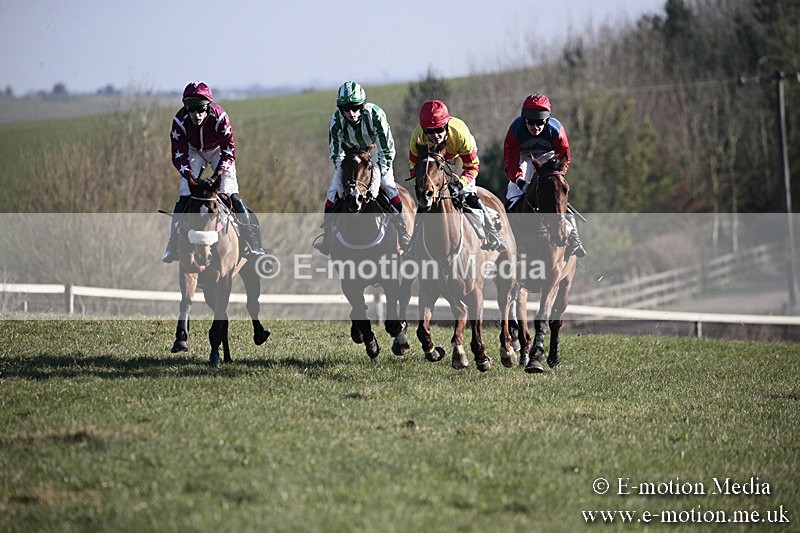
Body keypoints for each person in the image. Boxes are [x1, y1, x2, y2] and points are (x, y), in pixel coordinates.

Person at [162, 81, 266, 263]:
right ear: (185, 107)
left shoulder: (220, 118)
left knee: (230, 194)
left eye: (201, 109)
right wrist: (189, 176)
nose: (196, 115)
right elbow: (178, 156)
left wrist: (218, 175)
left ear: (208, 107)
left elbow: (228, 152)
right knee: (185, 194)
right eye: (191, 109)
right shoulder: (179, 121)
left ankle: (252, 241)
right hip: (193, 151)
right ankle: (172, 244)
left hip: (218, 151)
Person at [314, 81, 411, 255]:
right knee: (333, 191)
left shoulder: (376, 115)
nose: (351, 113)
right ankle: (327, 236)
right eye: (346, 109)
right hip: (351, 158)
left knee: (388, 187)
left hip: (376, 156)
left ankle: (402, 231)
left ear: (362, 105)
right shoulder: (336, 121)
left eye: (355, 107)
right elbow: (335, 152)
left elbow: (387, 149)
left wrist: (378, 172)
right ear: (340, 108)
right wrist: (342, 171)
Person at [409, 100, 506, 252]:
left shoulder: (460, 135)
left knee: (466, 193)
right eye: (430, 132)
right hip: (434, 160)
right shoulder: (418, 138)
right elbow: (413, 167)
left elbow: (472, 167)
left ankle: (491, 232)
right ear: (423, 129)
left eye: (439, 130)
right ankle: (413, 242)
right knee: (424, 200)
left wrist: (460, 183)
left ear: (446, 125)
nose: (435, 136)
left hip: (459, 155)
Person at [503, 93, 586, 258]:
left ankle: (574, 237)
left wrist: (555, 176)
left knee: (557, 193)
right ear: (524, 119)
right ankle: (507, 236)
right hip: (524, 157)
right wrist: (520, 181)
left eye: (540, 122)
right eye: (530, 122)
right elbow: (510, 163)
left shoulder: (557, 131)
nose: (535, 127)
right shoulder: (515, 130)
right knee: (513, 192)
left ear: (547, 120)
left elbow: (564, 158)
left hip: (548, 156)